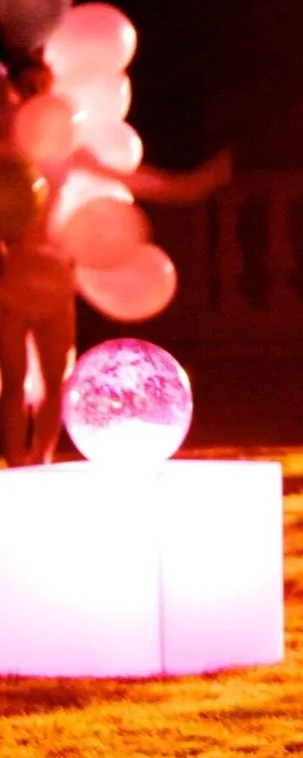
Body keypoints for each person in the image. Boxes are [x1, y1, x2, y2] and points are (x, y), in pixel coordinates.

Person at [0, 53, 230, 468]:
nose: (38, 95)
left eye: (44, 86)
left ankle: (41, 461)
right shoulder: (5, 150)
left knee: (58, 380)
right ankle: (15, 465)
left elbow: (131, 178)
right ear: (16, 94)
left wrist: (188, 187)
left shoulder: (66, 149)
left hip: (54, 271)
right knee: (13, 380)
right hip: (11, 273)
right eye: (29, 87)